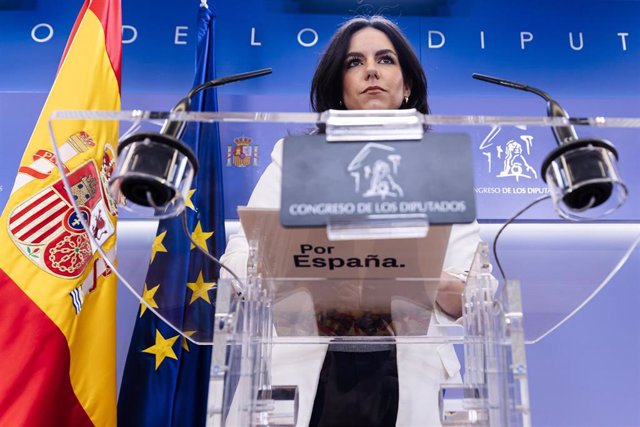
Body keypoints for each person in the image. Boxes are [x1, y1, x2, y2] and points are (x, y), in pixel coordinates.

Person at [220, 15, 483, 426]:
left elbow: (473, 290)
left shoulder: (439, 169)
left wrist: (412, 274)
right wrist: (283, 267)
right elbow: (240, 256)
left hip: (411, 370)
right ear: (338, 87)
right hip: (305, 371)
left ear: (408, 84)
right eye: (354, 62)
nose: (371, 70)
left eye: (385, 59)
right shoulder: (295, 159)